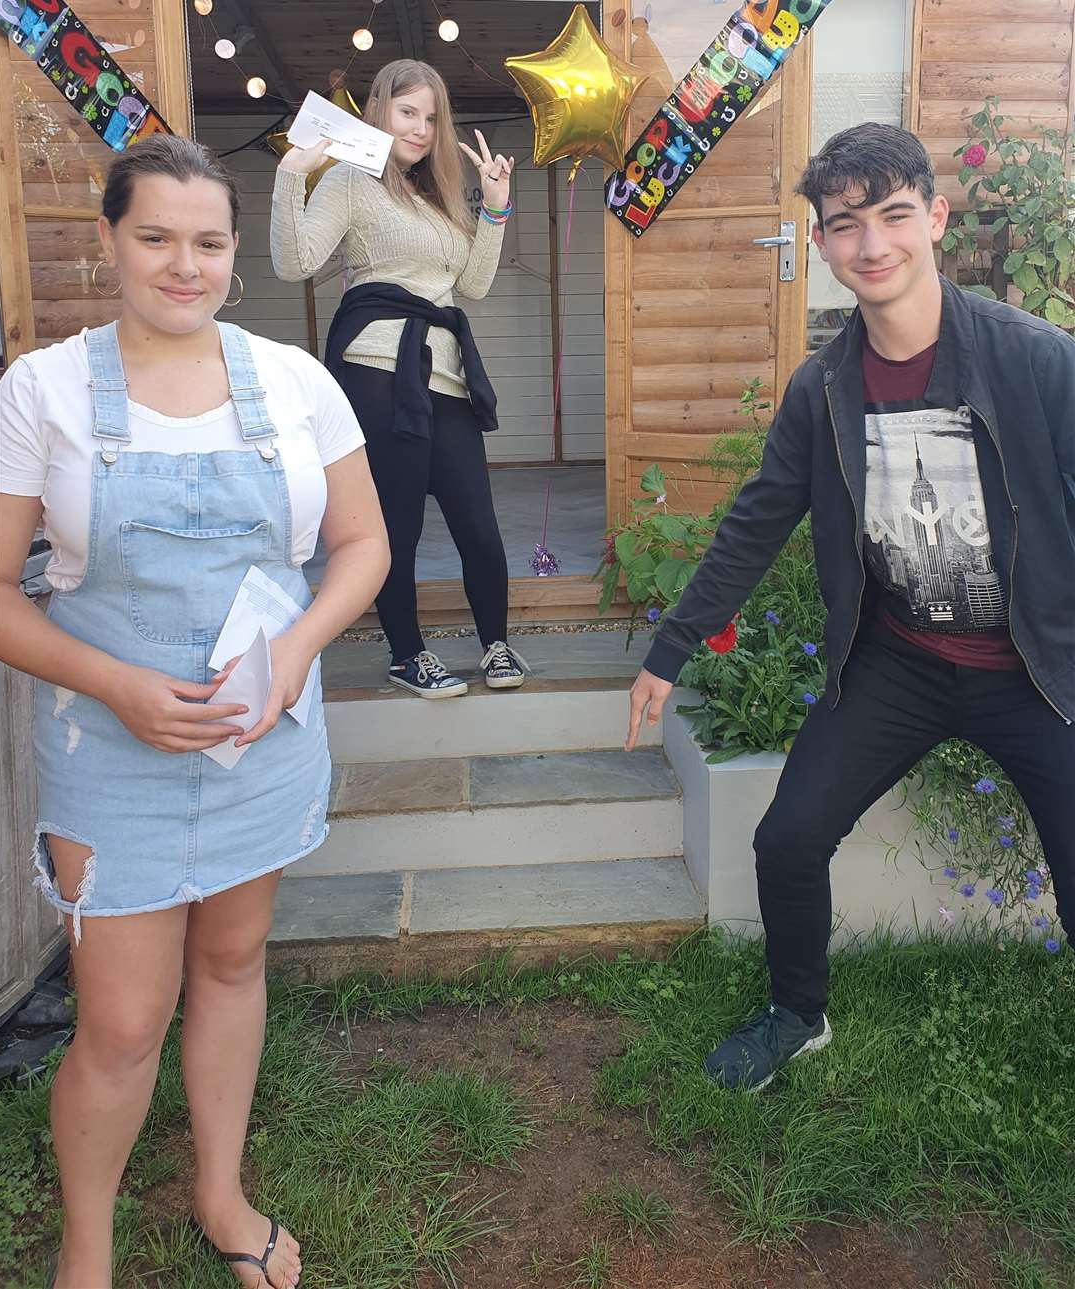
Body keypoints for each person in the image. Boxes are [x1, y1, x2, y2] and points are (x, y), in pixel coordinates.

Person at [0, 134, 390, 1289]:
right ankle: (89, 1250)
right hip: (106, 748)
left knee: (233, 961)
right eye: (156, 237)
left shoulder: (295, 382)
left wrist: (293, 654)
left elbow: (364, 546)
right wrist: (118, 685)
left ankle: (220, 1192)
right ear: (109, 238)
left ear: (235, 252)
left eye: (208, 242)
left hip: (259, 733)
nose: (185, 264)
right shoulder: (43, 390)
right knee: (120, 1023)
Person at [626, 123, 1075, 1092]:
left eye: (893, 216)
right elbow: (756, 522)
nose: (872, 245)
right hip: (900, 662)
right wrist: (670, 649)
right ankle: (798, 1012)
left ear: (936, 217)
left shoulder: (1035, 360)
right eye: (845, 226)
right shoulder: (823, 390)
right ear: (823, 245)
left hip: (1038, 671)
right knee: (788, 836)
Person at [270, 58, 530, 700]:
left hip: (446, 378)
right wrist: (290, 176)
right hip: (378, 374)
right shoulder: (353, 183)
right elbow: (293, 261)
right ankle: (406, 654)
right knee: (395, 526)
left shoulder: (438, 193)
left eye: (431, 116)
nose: (419, 127)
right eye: (407, 111)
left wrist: (493, 210)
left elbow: (471, 284)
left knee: (478, 523)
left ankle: (496, 642)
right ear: (380, 110)